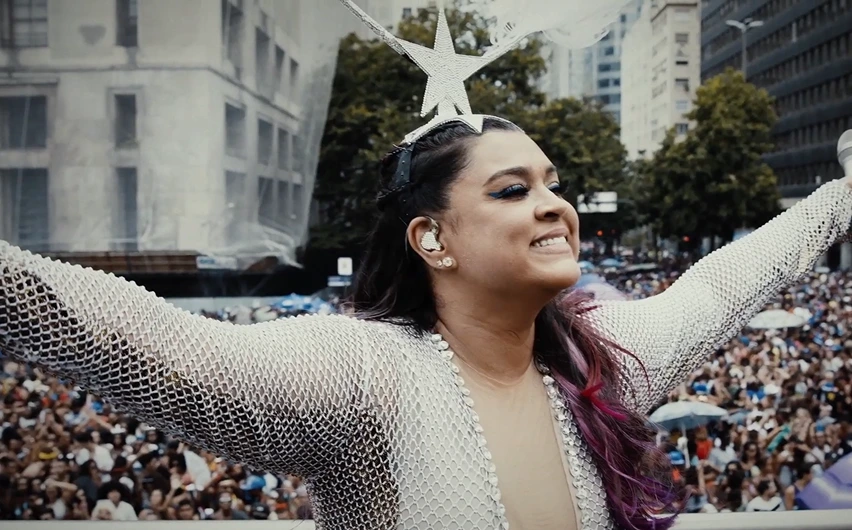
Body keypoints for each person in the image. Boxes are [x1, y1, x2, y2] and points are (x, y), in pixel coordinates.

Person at [2, 5, 852, 530]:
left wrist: (843, 195)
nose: (554, 207)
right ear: (432, 240)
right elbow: (135, 337)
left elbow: (724, 282)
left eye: (554, 185)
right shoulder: (359, 376)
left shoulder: (605, 360)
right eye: (513, 190)